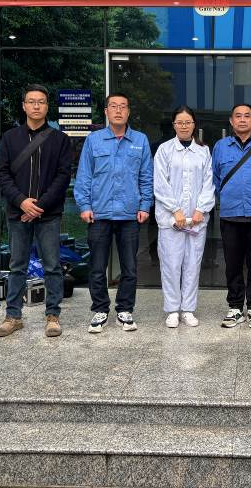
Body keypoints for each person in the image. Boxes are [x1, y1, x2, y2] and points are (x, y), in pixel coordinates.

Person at [0, 84, 72, 338]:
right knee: (17, 265)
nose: (36, 106)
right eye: (31, 101)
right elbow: (2, 174)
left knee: (52, 266)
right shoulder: (10, 138)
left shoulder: (60, 140)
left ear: (47, 107)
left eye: (41, 102)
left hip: (48, 214)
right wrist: (22, 202)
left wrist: (39, 206)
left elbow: (63, 176)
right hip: (18, 213)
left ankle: (53, 315)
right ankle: (13, 316)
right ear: (24, 106)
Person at [74, 92, 153, 333]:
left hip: (129, 214)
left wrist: (145, 205)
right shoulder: (94, 140)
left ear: (128, 111)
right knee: (97, 267)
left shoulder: (140, 140)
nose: (118, 110)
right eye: (113, 106)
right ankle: (100, 309)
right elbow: (84, 175)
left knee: (130, 267)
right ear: (106, 111)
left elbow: (146, 177)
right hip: (99, 214)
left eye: (123, 106)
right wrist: (84, 206)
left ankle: (125, 310)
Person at [211, 103, 251, 329]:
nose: (242, 120)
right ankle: (236, 306)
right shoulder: (221, 146)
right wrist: (225, 198)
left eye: (247, 116)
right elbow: (215, 178)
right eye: (237, 116)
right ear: (231, 121)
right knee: (232, 263)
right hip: (231, 214)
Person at [153, 106, 215, 328]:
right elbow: (160, 183)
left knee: (192, 264)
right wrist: (175, 210)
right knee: (170, 264)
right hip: (171, 220)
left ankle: (188, 309)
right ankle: (172, 309)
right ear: (174, 125)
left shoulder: (203, 151)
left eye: (188, 122)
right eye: (180, 122)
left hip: (196, 220)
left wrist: (201, 209)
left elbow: (209, 182)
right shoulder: (164, 150)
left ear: (194, 124)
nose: (184, 126)